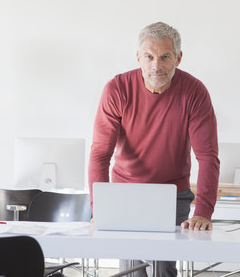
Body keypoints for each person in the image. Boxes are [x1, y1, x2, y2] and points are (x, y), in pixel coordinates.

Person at [88, 22, 220, 276]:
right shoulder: (117, 90)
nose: (156, 66)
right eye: (149, 57)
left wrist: (203, 212)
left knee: (164, 267)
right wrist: (99, 209)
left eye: (165, 57)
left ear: (178, 58)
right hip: (126, 193)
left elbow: (207, 157)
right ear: (138, 57)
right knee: (132, 269)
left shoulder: (194, 92)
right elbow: (100, 154)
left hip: (172, 192)